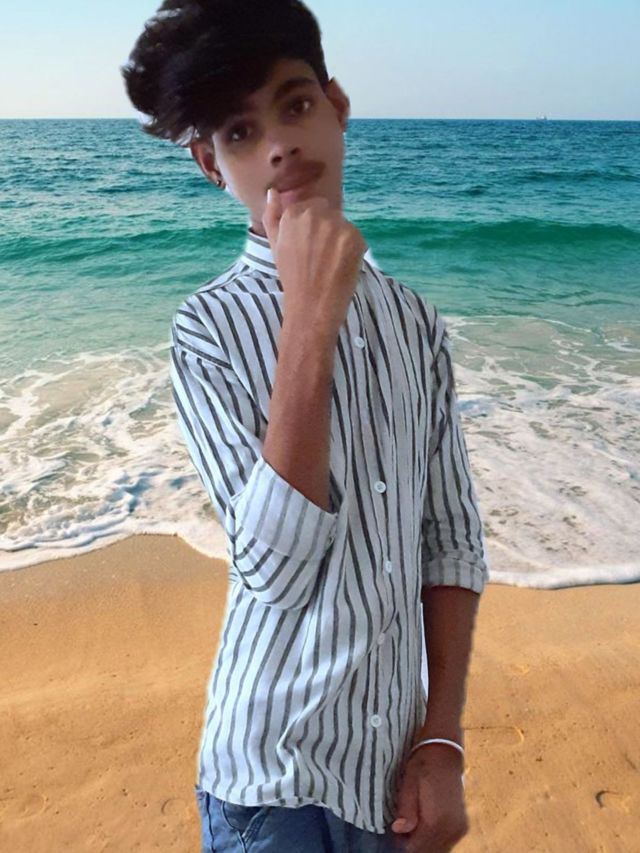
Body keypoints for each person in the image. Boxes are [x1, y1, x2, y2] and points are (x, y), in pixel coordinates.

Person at [121, 2, 490, 851]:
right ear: (211, 164)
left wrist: (441, 738)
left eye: (295, 105)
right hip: (269, 783)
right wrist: (310, 323)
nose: (280, 146)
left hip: (390, 777)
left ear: (337, 107)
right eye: (240, 132)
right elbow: (272, 570)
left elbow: (450, 539)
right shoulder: (208, 329)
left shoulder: (415, 323)